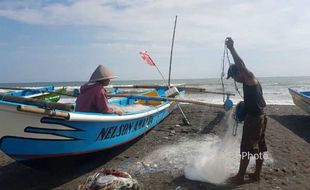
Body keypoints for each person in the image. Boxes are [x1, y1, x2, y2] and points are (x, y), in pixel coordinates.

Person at [225, 37, 267, 184]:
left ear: (238, 73)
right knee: (260, 147)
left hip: (255, 120)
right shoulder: (249, 81)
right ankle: (256, 174)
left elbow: (241, 65)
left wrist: (231, 48)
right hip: (261, 117)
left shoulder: (248, 76)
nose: (235, 80)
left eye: (234, 77)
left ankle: (240, 176)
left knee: (246, 148)